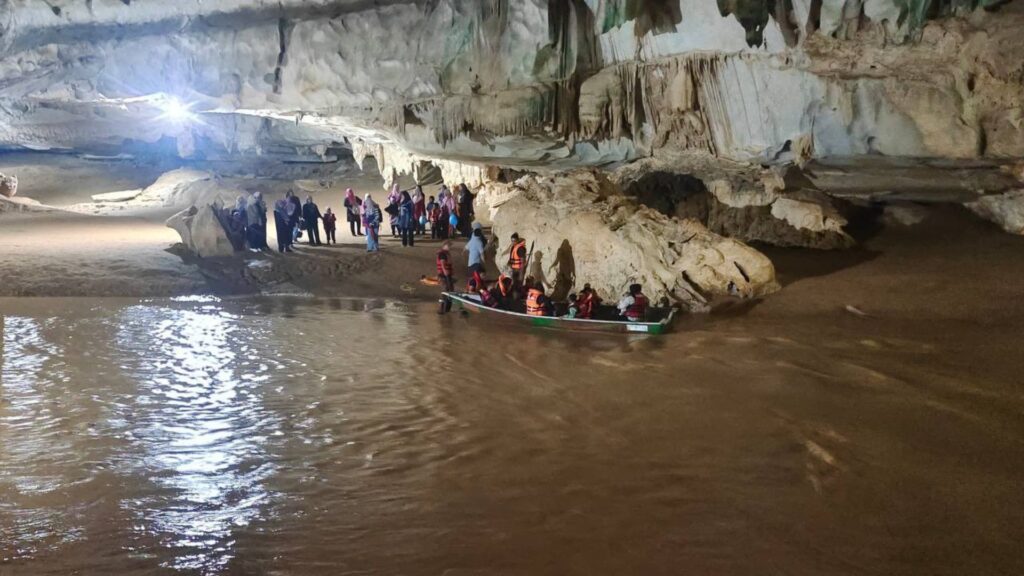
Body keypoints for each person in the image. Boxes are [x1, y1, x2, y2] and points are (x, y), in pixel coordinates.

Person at [465, 223, 487, 290]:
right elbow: (482, 255)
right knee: (479, 279)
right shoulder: (479, 242)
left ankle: (470, 290)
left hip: (470, 264)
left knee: (472, 279)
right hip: (476, 264)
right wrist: (485, 261)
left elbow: (465, 248)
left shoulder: (472, 239)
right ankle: (480, 291)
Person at [436, 240, 455, 314]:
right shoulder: (442, 254)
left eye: (450, 246)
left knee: (450, 290)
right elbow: (442, 264)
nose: (450, 247)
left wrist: (451, 271)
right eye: (449, 246)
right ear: (444, 245)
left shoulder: (446, 253)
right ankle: (442, 309)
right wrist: (445, 272)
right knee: (446, 291)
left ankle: (447, 309)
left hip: (447, 274)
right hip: (443, 275)